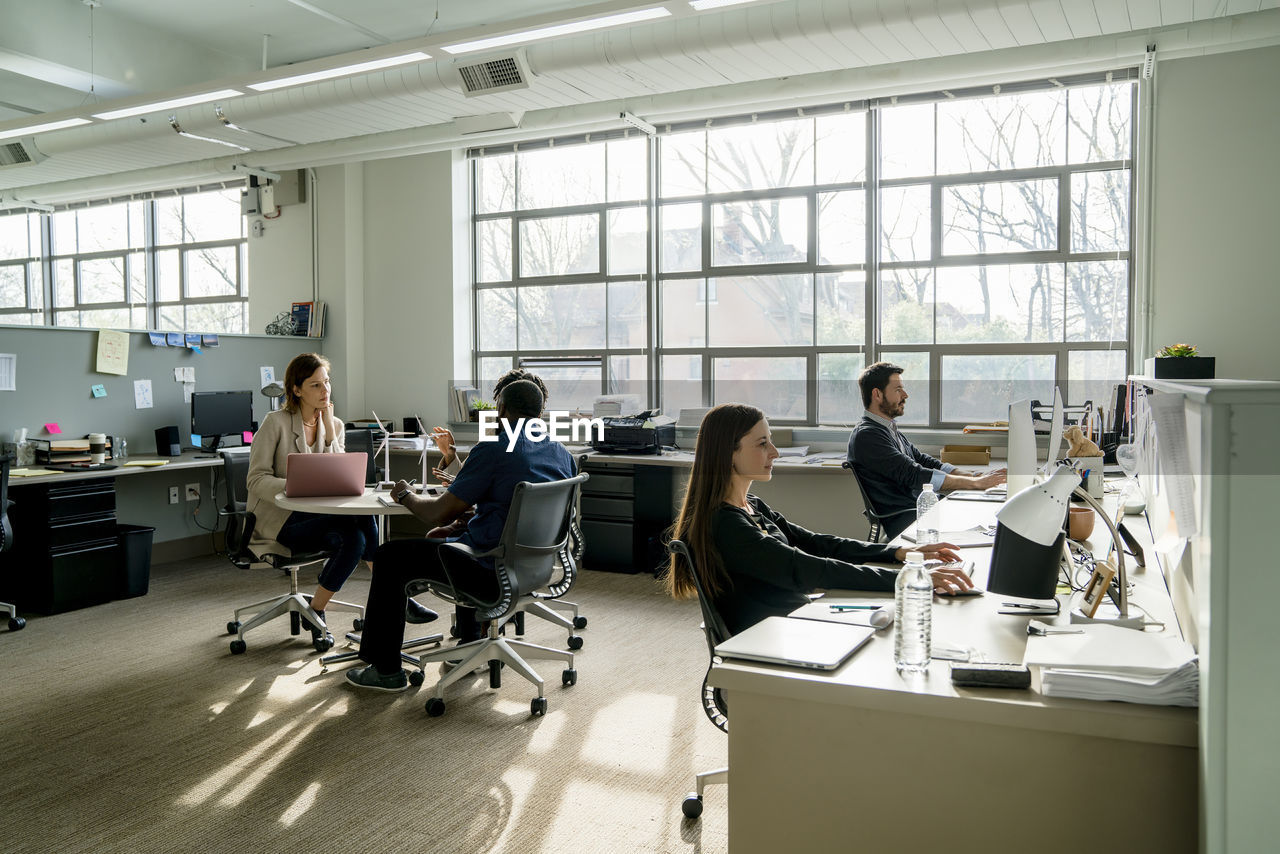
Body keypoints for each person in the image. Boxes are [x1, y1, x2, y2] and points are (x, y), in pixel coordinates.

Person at [346, 378, 576, 692]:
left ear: (501, 408)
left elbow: (437, 512)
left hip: (489, 570)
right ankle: (471, 643)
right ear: (540, 411)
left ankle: (385, 669)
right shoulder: (562, 454)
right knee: (460, 538)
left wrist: (405, 495)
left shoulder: (494, 448)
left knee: (390, 556)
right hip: (535, 568)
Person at [664, 403, 972, 636]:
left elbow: (817, 544)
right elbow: (805, 569)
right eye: (762, 444)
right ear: (728, 453)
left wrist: (897, 554)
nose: (775, 452)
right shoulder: (725, 524)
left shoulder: (751, 506)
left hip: (795, 620)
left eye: (770, 441)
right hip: (775, 639)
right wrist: (910, 580)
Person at [246, 353, 436, 639]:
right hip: (283, 520)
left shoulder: (334, 424)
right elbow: (256, 479)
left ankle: (316, 609)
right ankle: (399, 596)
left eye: (327, 383)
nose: (325, 391)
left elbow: (339, 477)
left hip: (323, 515)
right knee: (359, 530)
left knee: (357, 536)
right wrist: (292, 486)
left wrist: (330, 437)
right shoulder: (276, 423)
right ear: (296, 390)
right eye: (315, 385)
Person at [846, 362, 1006, 541]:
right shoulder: (868, 435)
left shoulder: (886, 428)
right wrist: (975, 484)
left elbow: (924, 461)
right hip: (908, 521)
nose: (905, 395)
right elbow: (915, 474)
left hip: (923, 512)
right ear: (877, 394)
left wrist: (973, 476)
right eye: (898, 389)